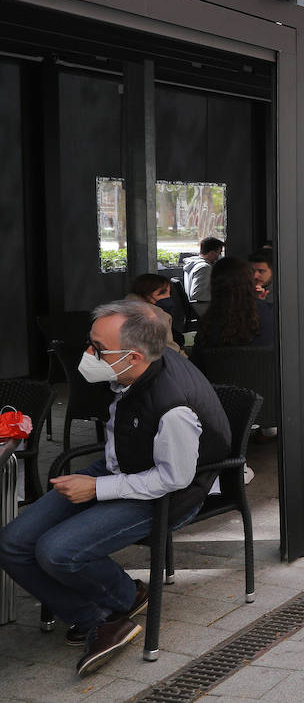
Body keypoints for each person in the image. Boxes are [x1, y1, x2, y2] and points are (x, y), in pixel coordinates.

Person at [0, 300, 229, 676]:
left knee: (56, 551)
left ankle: (105, 614)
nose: (88, 354)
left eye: (98, 348)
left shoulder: (174, 407)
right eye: (90, 343)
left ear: (134, 356)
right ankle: (109, 608)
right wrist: (99, 481)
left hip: (166, 492)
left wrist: (97, 489)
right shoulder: (132, 371)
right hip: (118, 466)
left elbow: (173, 479)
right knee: (12, 543)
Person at [194, 257, 277, 354]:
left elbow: (196, 361)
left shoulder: (207, 324)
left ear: (214, 285)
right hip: (263, 368)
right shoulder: (271, 315)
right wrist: (259, 303)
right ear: (249, 282)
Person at [182, 236, 224, 307]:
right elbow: (198, 294)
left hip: (197, 306)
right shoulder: (204, 268)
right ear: (211, 253)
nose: (219, 256)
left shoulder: (193, 264)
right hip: (203, 308)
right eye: (219, 253)